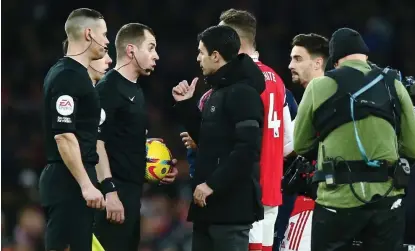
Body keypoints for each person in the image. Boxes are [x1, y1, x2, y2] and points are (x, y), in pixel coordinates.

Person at [294, 28, 415, 251]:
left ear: (336, 59)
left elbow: (301, 145)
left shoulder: (319, 85)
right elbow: (414, 147)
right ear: (365, 55)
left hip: (336, 200)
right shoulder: (394, 84)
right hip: (386, 199)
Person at [172, 25, 265, 251]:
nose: (198, 58)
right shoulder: (218, 91)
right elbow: (208, 141)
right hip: (208, 209)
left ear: (215, 55)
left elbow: (248, 149)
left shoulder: (243, 93)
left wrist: (212, 184)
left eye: (201, 52)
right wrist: (185, 106)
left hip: (231, 210)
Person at [93, 23, 178, 251]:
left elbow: (122, 139)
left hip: (131, 196)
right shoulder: (108, 89)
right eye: (151, 48)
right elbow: (96, 141)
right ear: (131, 50)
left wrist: (158, 164)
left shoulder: (136, 90)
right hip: (112, 197)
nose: (156, 56)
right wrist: (109, 191)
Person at [218, 9, 293, 251]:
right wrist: (271, 159)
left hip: (244, 193)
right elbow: (290, 142)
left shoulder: (241, 81)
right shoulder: (277, 80)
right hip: (271, 190)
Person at [40, 8, 109, 251]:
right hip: (68, 180)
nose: (107, 41)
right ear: (89, 34)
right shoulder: (68, 75)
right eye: (105, 34)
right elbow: (64, 136)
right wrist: (85, 184)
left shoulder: (74, 74)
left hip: (74, 177)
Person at [279, 33, 329, 251]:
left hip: (313, 204)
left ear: (318, 62)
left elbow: (290, 148)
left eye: (298, 59)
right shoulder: (333, 96)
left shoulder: (319, 98)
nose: (290, 65)